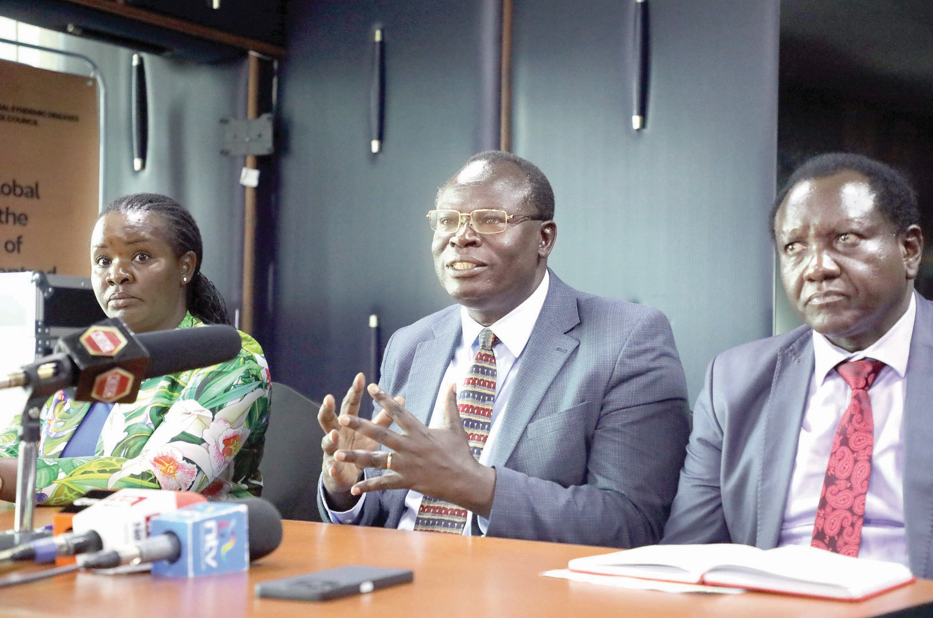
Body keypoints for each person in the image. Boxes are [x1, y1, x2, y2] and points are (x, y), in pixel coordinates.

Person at [316, 151, 690, 547]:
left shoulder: (626, 339)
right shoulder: (411, 344)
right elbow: (386, 515)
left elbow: (632, 522)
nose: (461, 236)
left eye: (490, 219)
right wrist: (347, 485)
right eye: (447, 220)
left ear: (543, 239)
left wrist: (476, 487)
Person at [662, 153, 933, 576]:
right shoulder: (735, 382)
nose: (817, 268)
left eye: (845, 238)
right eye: (794, 247)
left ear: (909, 249)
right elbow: (690, 554)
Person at [0, 194, 271, 505]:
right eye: (103, 261)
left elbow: (164, 478)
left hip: (178, 545)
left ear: (185, 267)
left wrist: (13, 478)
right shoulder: (87, 354)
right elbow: (14, 446)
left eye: (141, 256)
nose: (117, 274)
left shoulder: (231, 360)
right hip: (64, 538)